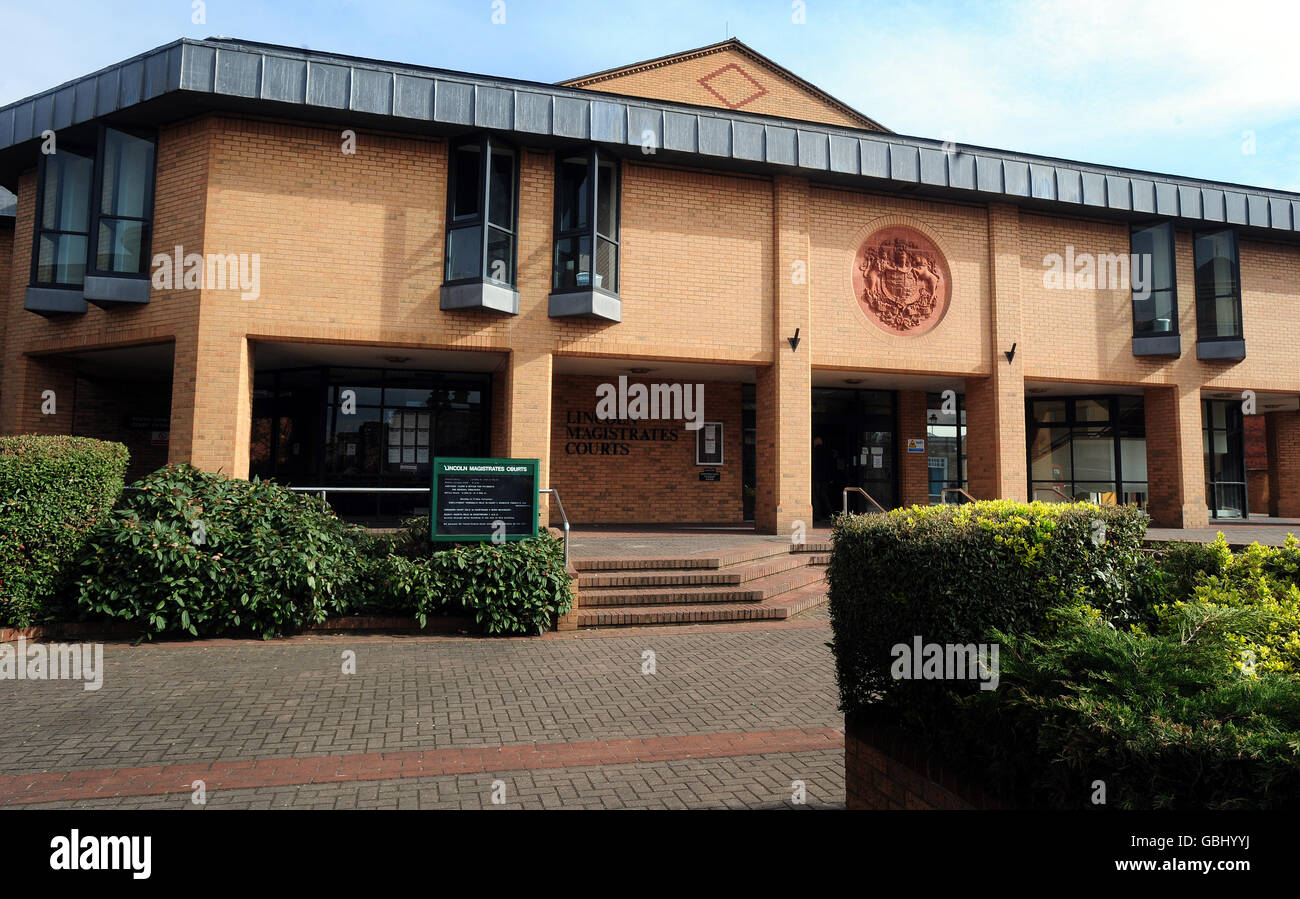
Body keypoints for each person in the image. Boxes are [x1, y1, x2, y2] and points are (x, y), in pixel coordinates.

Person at [812, 436, 835, 520]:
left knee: (816, 497)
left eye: (814, 442)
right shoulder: (828, 452)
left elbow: (814, 465)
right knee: (824, 496)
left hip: (816, 478)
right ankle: (830, 514)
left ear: (817, 442)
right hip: (825, 479)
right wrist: (831, 478)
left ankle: (817, 515)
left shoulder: (814, 452)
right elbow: (831, 465)